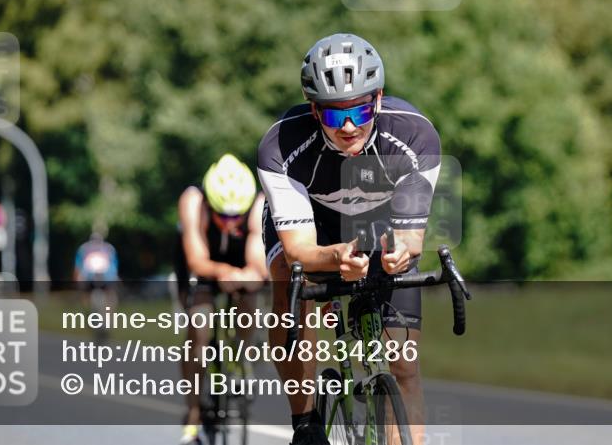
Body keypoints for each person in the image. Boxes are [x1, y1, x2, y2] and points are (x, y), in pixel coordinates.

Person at [257, 33, 441, 445]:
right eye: (334, 114)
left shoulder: (414, 136)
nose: (349, 126)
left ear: (378, 100)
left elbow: (411, 238)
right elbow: (299, 250)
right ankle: (305, 421)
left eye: (360, 110)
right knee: (288, 277)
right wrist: (335, 257)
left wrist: (399, 254)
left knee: (404, 367)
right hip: (313, 224)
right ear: (314, 109)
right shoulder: (282, 145)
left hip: (379, 220)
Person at [175, 153, 268, 445]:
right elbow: (196, 259)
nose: (230, 222)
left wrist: (248, 276)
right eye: (223, 216)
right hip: (202, 263)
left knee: (249, 297)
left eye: (236, 216)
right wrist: (222, 272)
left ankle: (240, 357)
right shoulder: (193, 200)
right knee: (198, 327)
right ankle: (193, 413)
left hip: (239, 259)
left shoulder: (257, 204)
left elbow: (258, 264)